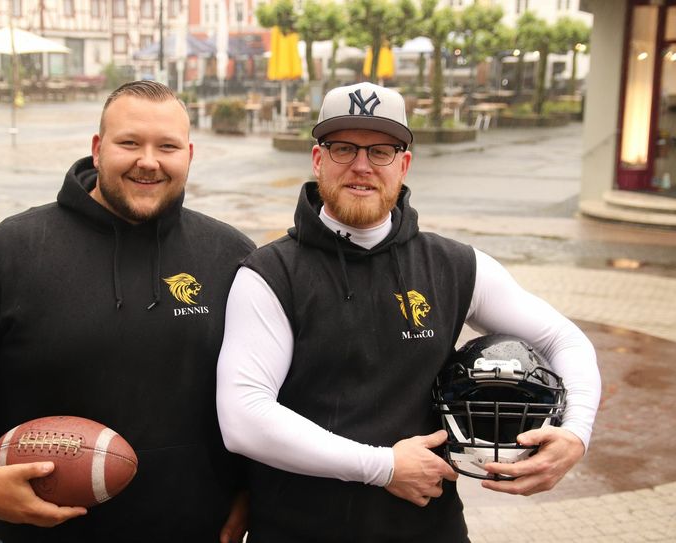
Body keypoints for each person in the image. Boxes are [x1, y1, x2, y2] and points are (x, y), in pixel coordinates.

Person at [216, 82, 601, 542]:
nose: (362, 166)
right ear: (318, 159)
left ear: (404, 164)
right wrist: (383, 467)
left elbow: (564, 339)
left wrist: (576, 434)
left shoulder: (455, 265)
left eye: (381, 151)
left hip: (430, 529)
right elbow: (243, 416)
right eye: (343, 148)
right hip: (300, 527)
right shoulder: (270, 274)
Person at [0, 80, 254, 543]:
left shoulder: (230, 255)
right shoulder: (11, 251)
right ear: (98, 149)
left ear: (188, 154)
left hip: (196, 530)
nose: (148, 161)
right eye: (129, 143)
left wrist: (253, 491)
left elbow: (271, 389)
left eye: (166, 146)